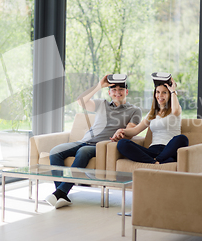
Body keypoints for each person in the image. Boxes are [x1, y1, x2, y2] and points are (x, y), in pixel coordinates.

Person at [46, 74, 142, 209]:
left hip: (103, 145)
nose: (117, 92)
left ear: (126, 92)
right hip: (85, 140)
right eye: (114, 90)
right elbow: (81, 101)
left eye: (121, 89)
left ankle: (61, 193)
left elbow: (130, 131)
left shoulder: (134, 110)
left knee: (83, 151)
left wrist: (121, 134)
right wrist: (99, 85)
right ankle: (61, 193)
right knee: (56, 151)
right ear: (109, 92)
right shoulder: (101, 104)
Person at [112, 73, 188, 164]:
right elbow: (135, 130)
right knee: (122, 144)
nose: (160, 95)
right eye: (158, 92)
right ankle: (156, 161)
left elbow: (175, 111)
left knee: (182, 139)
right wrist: (121, 131)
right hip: (152, 150)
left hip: (168, 149)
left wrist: (173, 90)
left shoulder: (175, 109)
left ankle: (158, 160)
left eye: (164, 92)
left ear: (169, 95)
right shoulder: (152, 113)